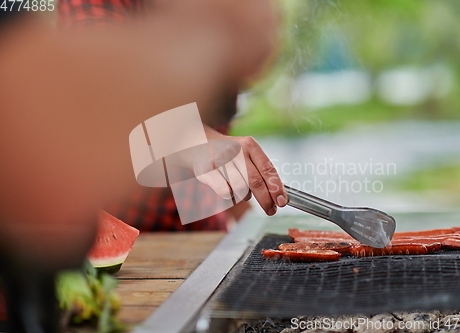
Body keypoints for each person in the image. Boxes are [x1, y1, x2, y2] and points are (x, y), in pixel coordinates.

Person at [0, 1, 286, 331]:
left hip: (204, 249)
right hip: (126, 266)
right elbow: (92, 92)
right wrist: (213, 34)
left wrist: (250, 223)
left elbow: (215, 145)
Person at [57, 0, 282, 231]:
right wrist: (198, 144)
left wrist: (248, 216)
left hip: (207, 232)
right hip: (123, 232)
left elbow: (217, 138)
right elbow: (99, 86)